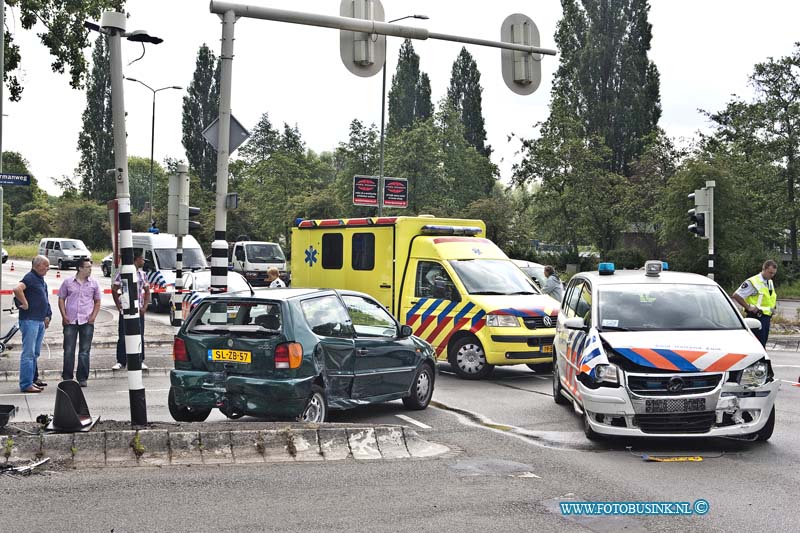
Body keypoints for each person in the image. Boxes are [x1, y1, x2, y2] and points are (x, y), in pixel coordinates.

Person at [57, 258, 101, 387]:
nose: (90, 269)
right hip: (71, 320)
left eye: (90, 267)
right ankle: (67, 377)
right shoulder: (68, 282)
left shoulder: (93, 283)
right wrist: (64, 315)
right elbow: (61, 298)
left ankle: (82, 377)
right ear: (80, 268)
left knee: (84, 351)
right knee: (69, 350)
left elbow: (97, 301)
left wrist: (93, 317)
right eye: (87, 267)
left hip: (87, 320)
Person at [12, 255, 52, 393]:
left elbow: (45, 299)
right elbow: (17, 289)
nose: (48, 268)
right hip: (30, 320)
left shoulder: (41, 280)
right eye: (46, 265)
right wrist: (25, 303)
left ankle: (32, 380)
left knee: (35, 353)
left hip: (39, 320)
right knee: (28, 353)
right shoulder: (30, 277)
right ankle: (26, 384)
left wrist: (47, 315)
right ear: (38, 265)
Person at [111, 253, 151, 370]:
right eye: (142, 259)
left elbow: (147, 290)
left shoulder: (142, 275)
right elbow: (114, 289)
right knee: (123, 336)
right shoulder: (123, 273)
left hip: (138, 310)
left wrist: (144, 307)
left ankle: (140, 359)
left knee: (140, 335)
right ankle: (121, 361)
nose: (143, 261)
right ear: (136, 259)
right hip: (126, 310)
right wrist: (119, 306)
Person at [733, 260, 778, 347]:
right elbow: (737, 295)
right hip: (756, 317)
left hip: (766, 318)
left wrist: (773, 308)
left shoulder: (770, 282)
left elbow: (769, 298)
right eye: (770, 273)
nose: (772, 275)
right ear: (764, 269)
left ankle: (761, 360)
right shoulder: (753, 282)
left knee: (762, 343)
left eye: (773, 273)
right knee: (757, 345)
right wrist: (748, 307)